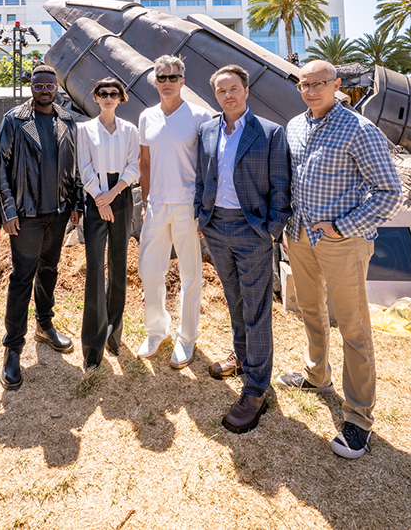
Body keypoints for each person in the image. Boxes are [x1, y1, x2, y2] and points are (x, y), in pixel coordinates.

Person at [278, 60, 403, 458]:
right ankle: (317, 375)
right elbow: (292, 182)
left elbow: (390, 192)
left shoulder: (359, 129)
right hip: (300, 237)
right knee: (311, 311)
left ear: (337, 86)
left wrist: (343, 226)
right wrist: (289, 228)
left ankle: (359, 417)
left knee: (353, 328)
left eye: (320, 83)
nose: (311, 90)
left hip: (342, 243)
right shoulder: (294, 127)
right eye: (304, 84)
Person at [195, 65, 291, 433]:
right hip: (215, 227)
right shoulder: (207, 130)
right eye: (221, 90)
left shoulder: (269, 132)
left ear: (246, 91)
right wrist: (201, 214)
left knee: (256, 307)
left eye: (233, 88)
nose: (228, 95)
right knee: (234, 298)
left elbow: (281, 186)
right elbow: (202, 176)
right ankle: (241, 356)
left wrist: (271, 230)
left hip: (252, 230)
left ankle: (255, 389)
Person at [0, 65, 83, 390]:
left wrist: (76, 203)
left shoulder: (67, 120)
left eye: (49, 85)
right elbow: (1, 167)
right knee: (22, 278)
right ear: (31, 87)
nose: (44, 90)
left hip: (57, 212)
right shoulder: (15, 120)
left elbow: (75, 165)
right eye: (38, 85)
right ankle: (12, 348)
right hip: (26, 214)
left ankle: (44, 326)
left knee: (49, 270)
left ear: (57, 88)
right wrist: (8, 210)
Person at [137, 55, 211, 368]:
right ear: (155, 81)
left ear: (183, 80)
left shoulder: (200, 116)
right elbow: (145, 163)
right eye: (162, 77)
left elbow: (208, 165)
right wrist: (145, 202)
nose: (167, 82)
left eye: (173, 77)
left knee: (190, 275)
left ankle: (187, 337)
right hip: (155, 205)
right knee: (149, 271)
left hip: (187, 205)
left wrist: (204, 209)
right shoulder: (147, 116)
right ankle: (157, 332)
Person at [78, 78, 140, 371]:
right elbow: (84, 167)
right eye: (102, 93)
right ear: (95, 97)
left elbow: (134, 166)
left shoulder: (130, 130)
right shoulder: (85, 130)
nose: (108, 97)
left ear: (120, 98)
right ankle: (93, 345)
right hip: (95, 197)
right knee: (95, 267)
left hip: (121, 194)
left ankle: (114, 332)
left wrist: (113, 195)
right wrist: (100, 200)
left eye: (114, 93)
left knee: (118, 262)